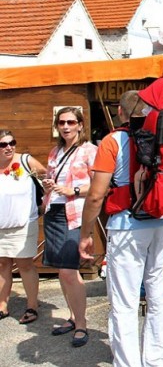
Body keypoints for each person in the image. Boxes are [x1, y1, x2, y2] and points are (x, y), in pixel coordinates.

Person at [80, 91, 163, 364]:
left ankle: (128, 363)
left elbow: (96, 195)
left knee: (124, 302)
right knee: (157, 296)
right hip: (162, 222)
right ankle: (155, 361)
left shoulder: (112, 141)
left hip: (126, 225)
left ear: (120, 112)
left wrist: (86, 234)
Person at [41, 107, 96, 347]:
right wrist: (49, 186)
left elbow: (100, 184)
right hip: (54, 211)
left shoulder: (89, 150)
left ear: (80, 125)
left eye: (71, 122)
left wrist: (72, 190)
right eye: (61, 122)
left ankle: (82, 324)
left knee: (68, 270)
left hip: (74, 214)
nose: (65, 126)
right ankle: (73, 317)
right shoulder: (55, 151)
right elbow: (55, 181)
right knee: (63, 272)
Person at [0, 130, 46, 325]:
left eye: (12, 143)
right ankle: (2, 306)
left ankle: (32, 306)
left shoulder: (26, 161)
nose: (8, 147)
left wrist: (44, 200)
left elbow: (47, 175)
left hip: (23, 224)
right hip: (1, 226)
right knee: (2, 265)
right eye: (3, 145)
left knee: (26, 265)